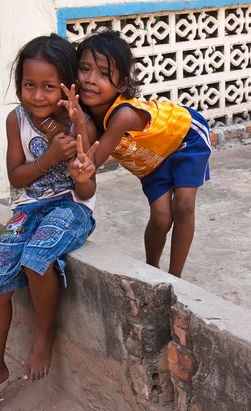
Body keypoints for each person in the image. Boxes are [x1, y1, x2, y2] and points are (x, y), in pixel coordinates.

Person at [0, 34, 98, 411]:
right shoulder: (17, 120)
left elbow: (88, 187)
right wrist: (48, 159)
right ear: (19, 84)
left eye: (47, 87)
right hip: (28, 206)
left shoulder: (80, 122)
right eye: (29, 85)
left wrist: (76, 160)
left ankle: (43, 336)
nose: (37, 96)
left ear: (66, 86)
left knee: (36, 255)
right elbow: (16, 176)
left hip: (71, 207)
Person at [60, 29, 211, 279]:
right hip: (151, 160)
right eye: (85, 69)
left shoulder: (123, 115)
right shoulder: (86, 116)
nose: (90, 79)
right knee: (161, 218)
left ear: (121, 84)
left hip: (184, 137)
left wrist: (79, 139)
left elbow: (90, 164)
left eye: (104, 74)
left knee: (183, 205)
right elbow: (85, 158)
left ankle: (176, 279)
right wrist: (76, 122)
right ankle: (152, 272)